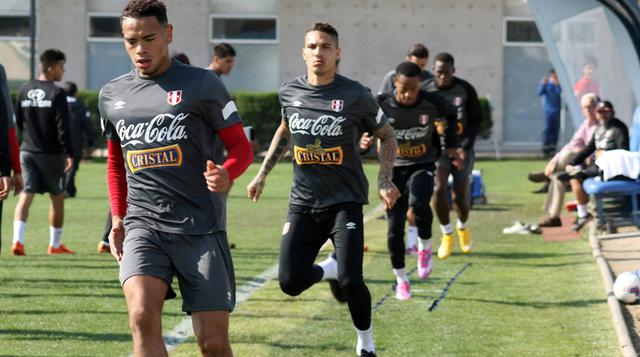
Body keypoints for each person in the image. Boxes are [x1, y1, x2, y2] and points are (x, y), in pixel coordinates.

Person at [100, 1, 253, 355]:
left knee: (213, 343)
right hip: (143, 225)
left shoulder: (203, 83)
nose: (140, 49)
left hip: (199, 227)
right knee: (141, 317)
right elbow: (115, 164)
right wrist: (119, 216)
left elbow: (240, 147)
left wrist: (227, 174)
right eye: (130, 40)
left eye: (149, 38)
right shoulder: (112, 95)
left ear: (168, 34)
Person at [247, 22, 399, 357]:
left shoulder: (356, 95)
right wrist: (262, 174)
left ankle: (366, 344)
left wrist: (385, 179)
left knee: (350, 280)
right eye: (313, 46)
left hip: (344, 201)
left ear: (337, 53)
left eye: (326, 47)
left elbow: (387, 135)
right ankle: (325, 269)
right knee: (290, 282)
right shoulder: (290, 92)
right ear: (303, 53)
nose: (319, 52)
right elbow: (285, 132)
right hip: (302, 202)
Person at [375, 61, 457, 300]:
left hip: (423, 163)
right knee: (394, 228)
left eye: (414, 89)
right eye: (404, 89)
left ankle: (425, 246)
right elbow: (363, 125)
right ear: (395, 84)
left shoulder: (432, 102)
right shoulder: (381, 104)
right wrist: (364, 139)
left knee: (419, 202)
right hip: (391, 170)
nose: (409, 94)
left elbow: (451, 116)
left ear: (420, 85)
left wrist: (450, 146)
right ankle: (401, 279)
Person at [11, 49, 75, 256]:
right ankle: (55, 245)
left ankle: (18, 242)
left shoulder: (23, 89)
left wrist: (26, 141)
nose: (62, 71)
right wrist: (69, 153)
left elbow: (18, 121)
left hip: (27, 150)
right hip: (51, 153)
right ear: (50, 67)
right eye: (60, 67)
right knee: (57, 197)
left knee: (25, 196)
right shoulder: (57, 93)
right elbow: (62, 126)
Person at [422, 52, 482, 259]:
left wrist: (464, 146)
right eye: (439, 72)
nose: (443, 77)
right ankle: (447, 234)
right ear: (434, 71)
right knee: (438, 188)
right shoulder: (425, 89)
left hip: (461, 148)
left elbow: (475, 121)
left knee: (460, 194)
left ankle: (463, 226)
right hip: (438, 149)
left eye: (446, 73)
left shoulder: (464, 89)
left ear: (453, 71)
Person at [562, 100, 629, 231]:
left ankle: (584, 215)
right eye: (599, 112)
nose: (602, 114)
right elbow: (588, 149)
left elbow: (623, 151)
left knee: (575, 178)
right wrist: (572, 162)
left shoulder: (619, 128)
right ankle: (586, 213)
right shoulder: (599, 129)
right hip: (596, 167)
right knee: (572, 175)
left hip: (610, 169)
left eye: (606, 111)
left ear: (612, 112)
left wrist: (607, 154)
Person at [536, 93, 599, 227]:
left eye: (590, 106)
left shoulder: (601, 124)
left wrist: (577, 154)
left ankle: (544, 174)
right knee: (558, 176)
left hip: (591, 164)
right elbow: (571, 144)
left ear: (597, 106)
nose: (588, 110)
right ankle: (554, 217)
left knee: (567, 156)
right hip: (578, 163)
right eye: (584, 107)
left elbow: (596, 150)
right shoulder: (586, 124)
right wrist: (553, 160)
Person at [62, 81, 95, 198]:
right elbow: (88, 126)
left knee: (62, 166)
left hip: (59, 142)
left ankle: (66, 189)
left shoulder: (58, 105)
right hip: (75, 142)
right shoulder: (80, 107)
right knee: (73, 167)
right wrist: (91, 142)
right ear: (75, 93)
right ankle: (67, 189)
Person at [537, 69, 562, 158]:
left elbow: (561, 94)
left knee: (555, 130)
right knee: (548, 129)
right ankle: (545, 148)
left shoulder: (559, 84)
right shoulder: (547, 84)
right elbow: (539, 92)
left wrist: (558, 85)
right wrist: (542, 84)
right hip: (548, 111)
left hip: (557, 111)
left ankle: (553, 148)